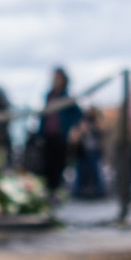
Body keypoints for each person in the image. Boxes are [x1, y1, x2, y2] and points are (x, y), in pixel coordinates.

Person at [36, 67, 83, 197]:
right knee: (46, 167)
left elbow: (78, 116)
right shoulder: (49, 96)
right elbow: (43, 117)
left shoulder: (67, 98)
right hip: (47, 137)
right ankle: (47, 194)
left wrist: (74, 131)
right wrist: (39, 134)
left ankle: (55, 195)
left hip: (60, 137)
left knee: (58, 167)